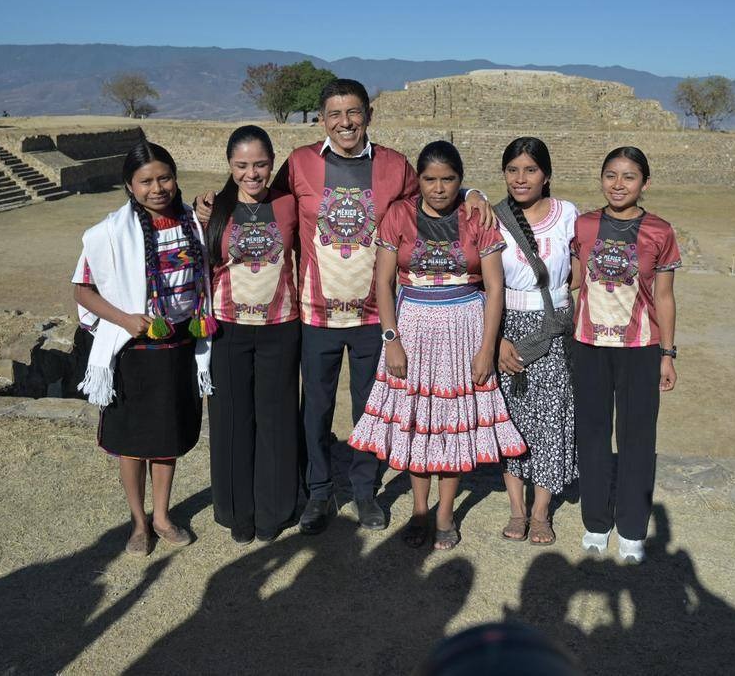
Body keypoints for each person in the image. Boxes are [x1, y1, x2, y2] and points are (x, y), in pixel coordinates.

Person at [196, 78, 492, 535]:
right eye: (335, 114)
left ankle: (364, 490)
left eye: (353, 112)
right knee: (315, 408)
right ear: (322, 119)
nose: (345, 122)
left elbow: (435, 193)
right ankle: (317, 491)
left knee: (368, 409)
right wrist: (213, 205)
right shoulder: (300, 164)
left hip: (375, 316)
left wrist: (473, 193)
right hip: (315, 315)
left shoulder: (394, 165)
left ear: (368, 115)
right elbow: (258, 195)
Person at [348, 141, 526, 550]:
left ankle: (445, 514)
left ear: (461, 181)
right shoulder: (398, 215)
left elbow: (494, 288)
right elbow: (384, 283)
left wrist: (486, 348)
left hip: (464, 330)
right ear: (419, 180)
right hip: (412, 330)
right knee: (418, 422)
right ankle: (419, 510)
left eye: (449, 179)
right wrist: (391, 340)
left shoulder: (476, 217)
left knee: (450, 423)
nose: (439, 188)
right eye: (430, 179)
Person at [72, 141, 213, 556]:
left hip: (180, 347)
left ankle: (162, 516)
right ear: (129, 186)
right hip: (132, 352)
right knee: (132, 443)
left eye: (164, 178)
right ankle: (138, 522)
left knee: (167, 437)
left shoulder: (194, 222)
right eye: (146, 181)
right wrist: (125, 319)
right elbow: (82, 290)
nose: (157, 188)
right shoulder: (108, 234)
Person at [570, 146, 679, 564]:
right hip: (589, 345)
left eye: (629, 176)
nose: (618, 185)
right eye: (611, 175)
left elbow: (664, 297)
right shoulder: (584, 225)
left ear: (644, 183)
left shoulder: (660, 231)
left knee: (637, 439)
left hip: (640, 348)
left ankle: (632, 528)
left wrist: (667, 354)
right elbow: (574, 278)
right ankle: (596, 522)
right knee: (593, 435)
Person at [205, 125, 300, 544]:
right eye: (242, 165)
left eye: (260, 164)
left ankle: (273, 510)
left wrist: (471, 193)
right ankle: (236, 511)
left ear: (272, 163)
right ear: (230, 165)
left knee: (276, 421)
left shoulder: (289, 203)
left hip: (280, 326)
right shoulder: (214, 209)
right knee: (231, 420)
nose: (252, 174)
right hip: (227, 329)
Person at [492, 137, 579, 545]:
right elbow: (484, 281)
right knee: (511, 416)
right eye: (512, 170)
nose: (520, 178)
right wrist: (496, 340)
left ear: (546, 175)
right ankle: (517, 509)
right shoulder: (493, 217)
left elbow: (578, 270)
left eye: (530, 170)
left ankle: (541, 511)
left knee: (550, 417)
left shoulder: (568, 215)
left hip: (553, 327)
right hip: (506, 326)